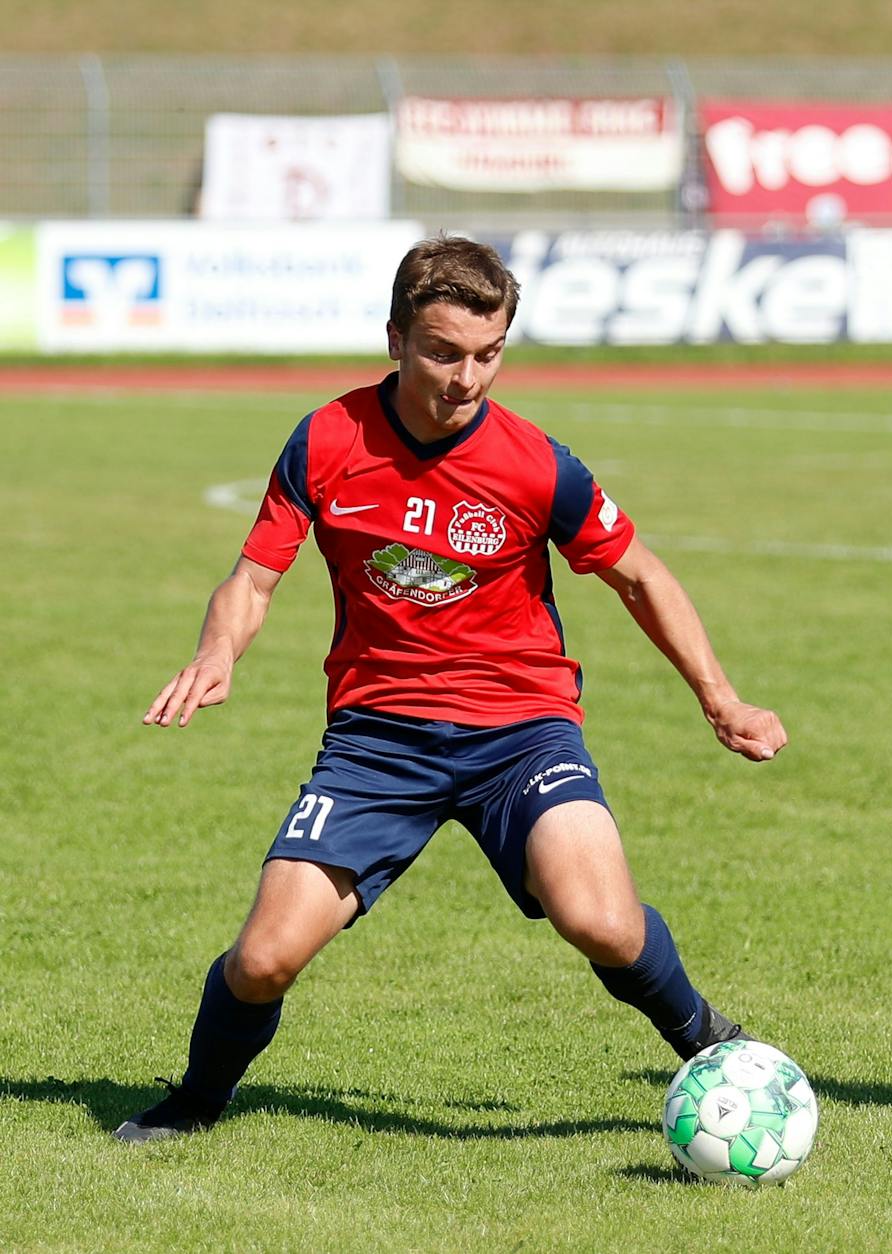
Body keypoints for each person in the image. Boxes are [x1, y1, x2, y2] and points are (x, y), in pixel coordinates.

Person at [115, 236, 788, 1143]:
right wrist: (217, 650)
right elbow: (254, 579)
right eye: (442, 352)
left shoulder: (536, 464)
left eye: (488, 353)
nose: (466, 378)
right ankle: (194, 1103)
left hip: (522, 733)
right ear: (396, 339)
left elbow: (640, 576)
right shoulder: (327, 439)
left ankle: (710, 1041)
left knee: (600, 921)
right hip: (377, 743)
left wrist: (721, 697)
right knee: (265, 958)